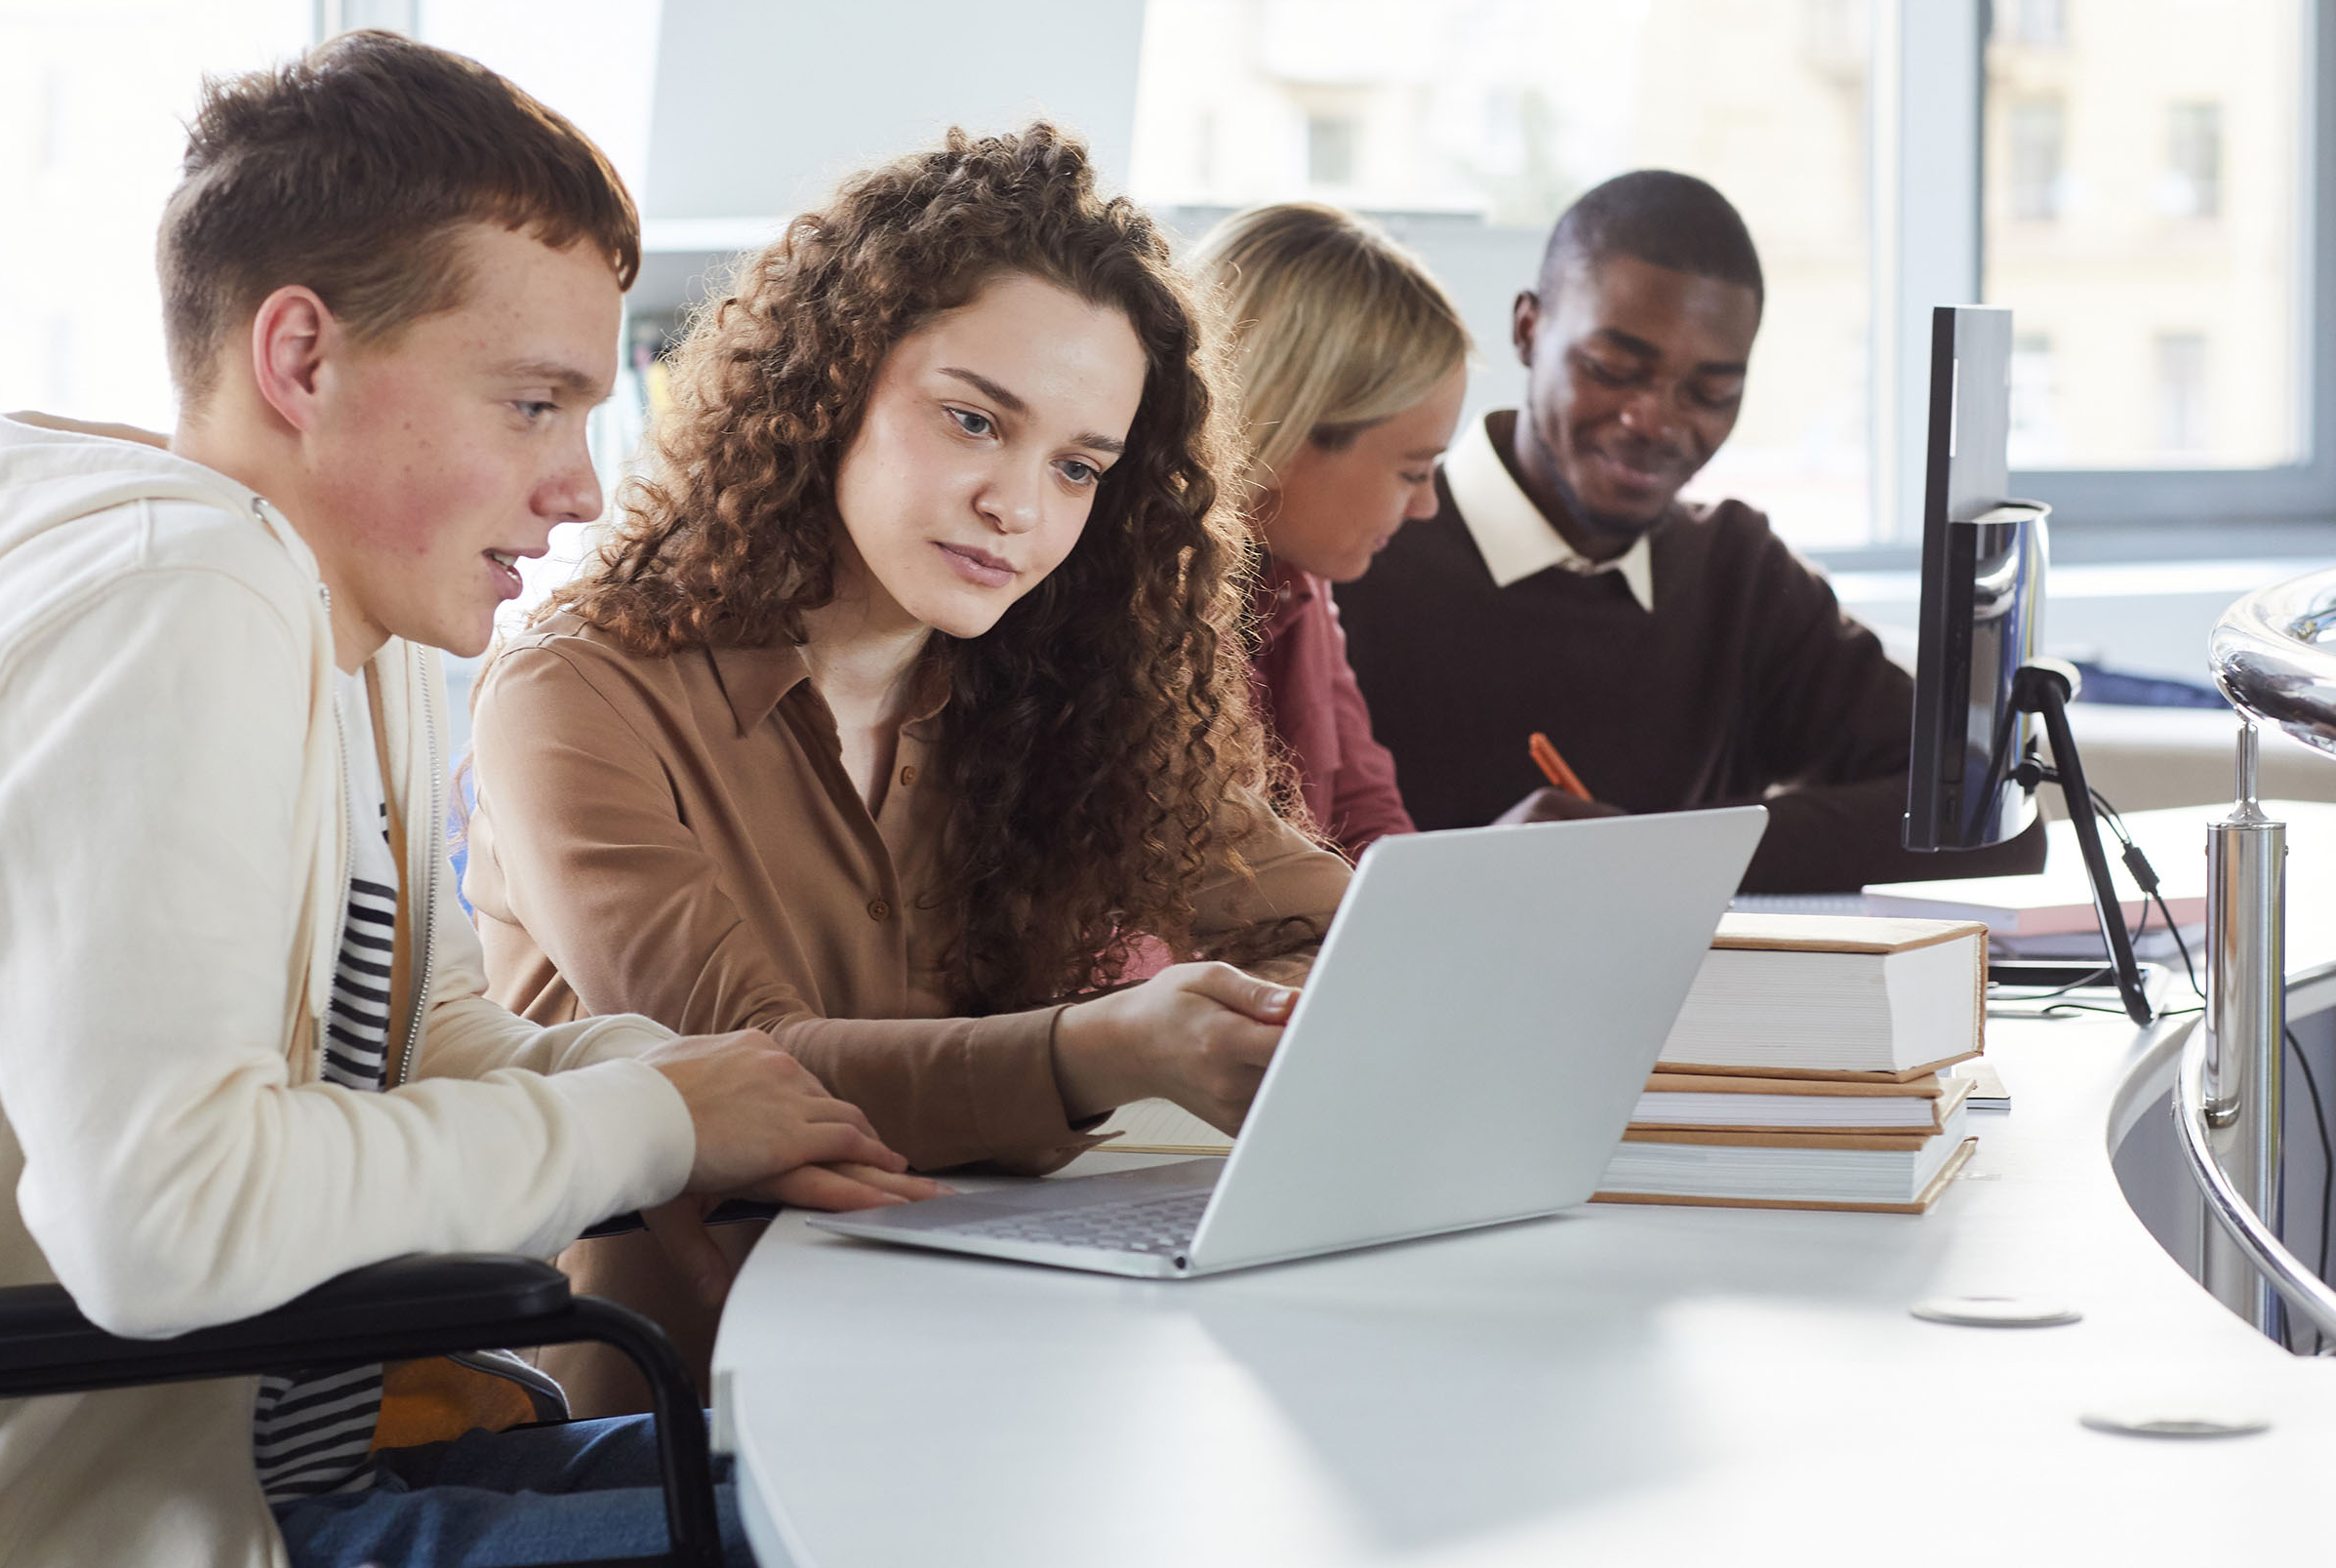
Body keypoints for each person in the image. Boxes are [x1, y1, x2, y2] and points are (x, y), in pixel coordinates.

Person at [0, 33, 933, 1568]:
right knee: (906, 1522)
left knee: (895, 1469)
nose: (581, 485)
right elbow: (165, 1223)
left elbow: (438, 1055)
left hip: (286, 1491)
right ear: (301, 360)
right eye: (532, 404)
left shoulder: (345, 624)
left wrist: (713, 1095)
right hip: (92, 1538)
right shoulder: (175, 597)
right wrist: (652, 1121)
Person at [463, 125, 1351, 1414]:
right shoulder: (575, 689)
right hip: (664, 1434)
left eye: (1078, 467)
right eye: (974, 420)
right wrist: (1108, 1052)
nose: (1019, 504)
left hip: (990, 1364)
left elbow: (1320, 927)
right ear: (830, 386)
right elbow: (751, 1078)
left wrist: (1271, 1014)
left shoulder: (1073, 685)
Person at [1333, 170, 2045, 892]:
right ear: (1527, 329)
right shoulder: (1356, 555)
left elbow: (1986, 818)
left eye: (1711, 393)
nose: (1656, 421)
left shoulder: (1738, 577)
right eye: (1612, 368)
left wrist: (1655, 856)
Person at [1188, 202, 1471, 855]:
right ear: (1283, 438)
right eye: (1412, 471)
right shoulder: (1121, 608)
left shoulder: (1300, 584)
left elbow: (1365, 819)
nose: (1427, 505)